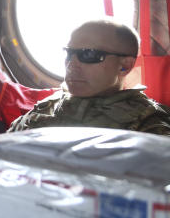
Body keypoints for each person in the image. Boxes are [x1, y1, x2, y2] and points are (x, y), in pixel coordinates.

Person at [9, 19, 170, 134]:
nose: (71, 65)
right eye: (69, 53)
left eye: (89, 54)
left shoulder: (147, 123)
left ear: (125, 66)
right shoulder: (47, 106)